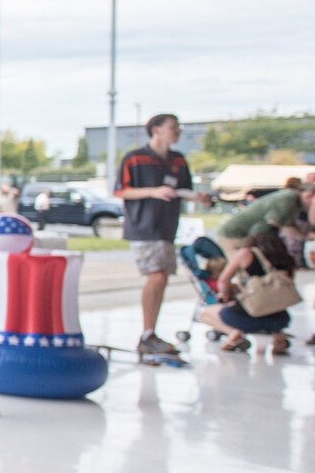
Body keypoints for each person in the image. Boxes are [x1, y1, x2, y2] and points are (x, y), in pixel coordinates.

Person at [113, 113, 196, 360]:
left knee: (162, 278)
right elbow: (121, 191)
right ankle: (147, 334)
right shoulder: (135, 158)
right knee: (157, 276)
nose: (178, 131)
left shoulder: (178, 160)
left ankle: (151, 332)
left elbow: (185, 189)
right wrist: (153, 191)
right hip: (143, 226)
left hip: (167, 227)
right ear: (156, 130)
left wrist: (197, 197)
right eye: (173, 127)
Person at [193, 225, 297, 354]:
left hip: (247, 316)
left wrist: (225, 298)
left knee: (205, 313)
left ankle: (233, 334)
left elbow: (223, 281)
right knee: (271, 311)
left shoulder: (247, 253)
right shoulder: (287, 258)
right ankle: (278, 337)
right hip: (280, 319)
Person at [217, 185, 312, 253]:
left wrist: (305, 237)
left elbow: (289, 226)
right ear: (309, 195)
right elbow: (274, 223)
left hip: (245, 235)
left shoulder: (295, 203)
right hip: (234, 234)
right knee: (243, 268)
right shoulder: (288, 198)